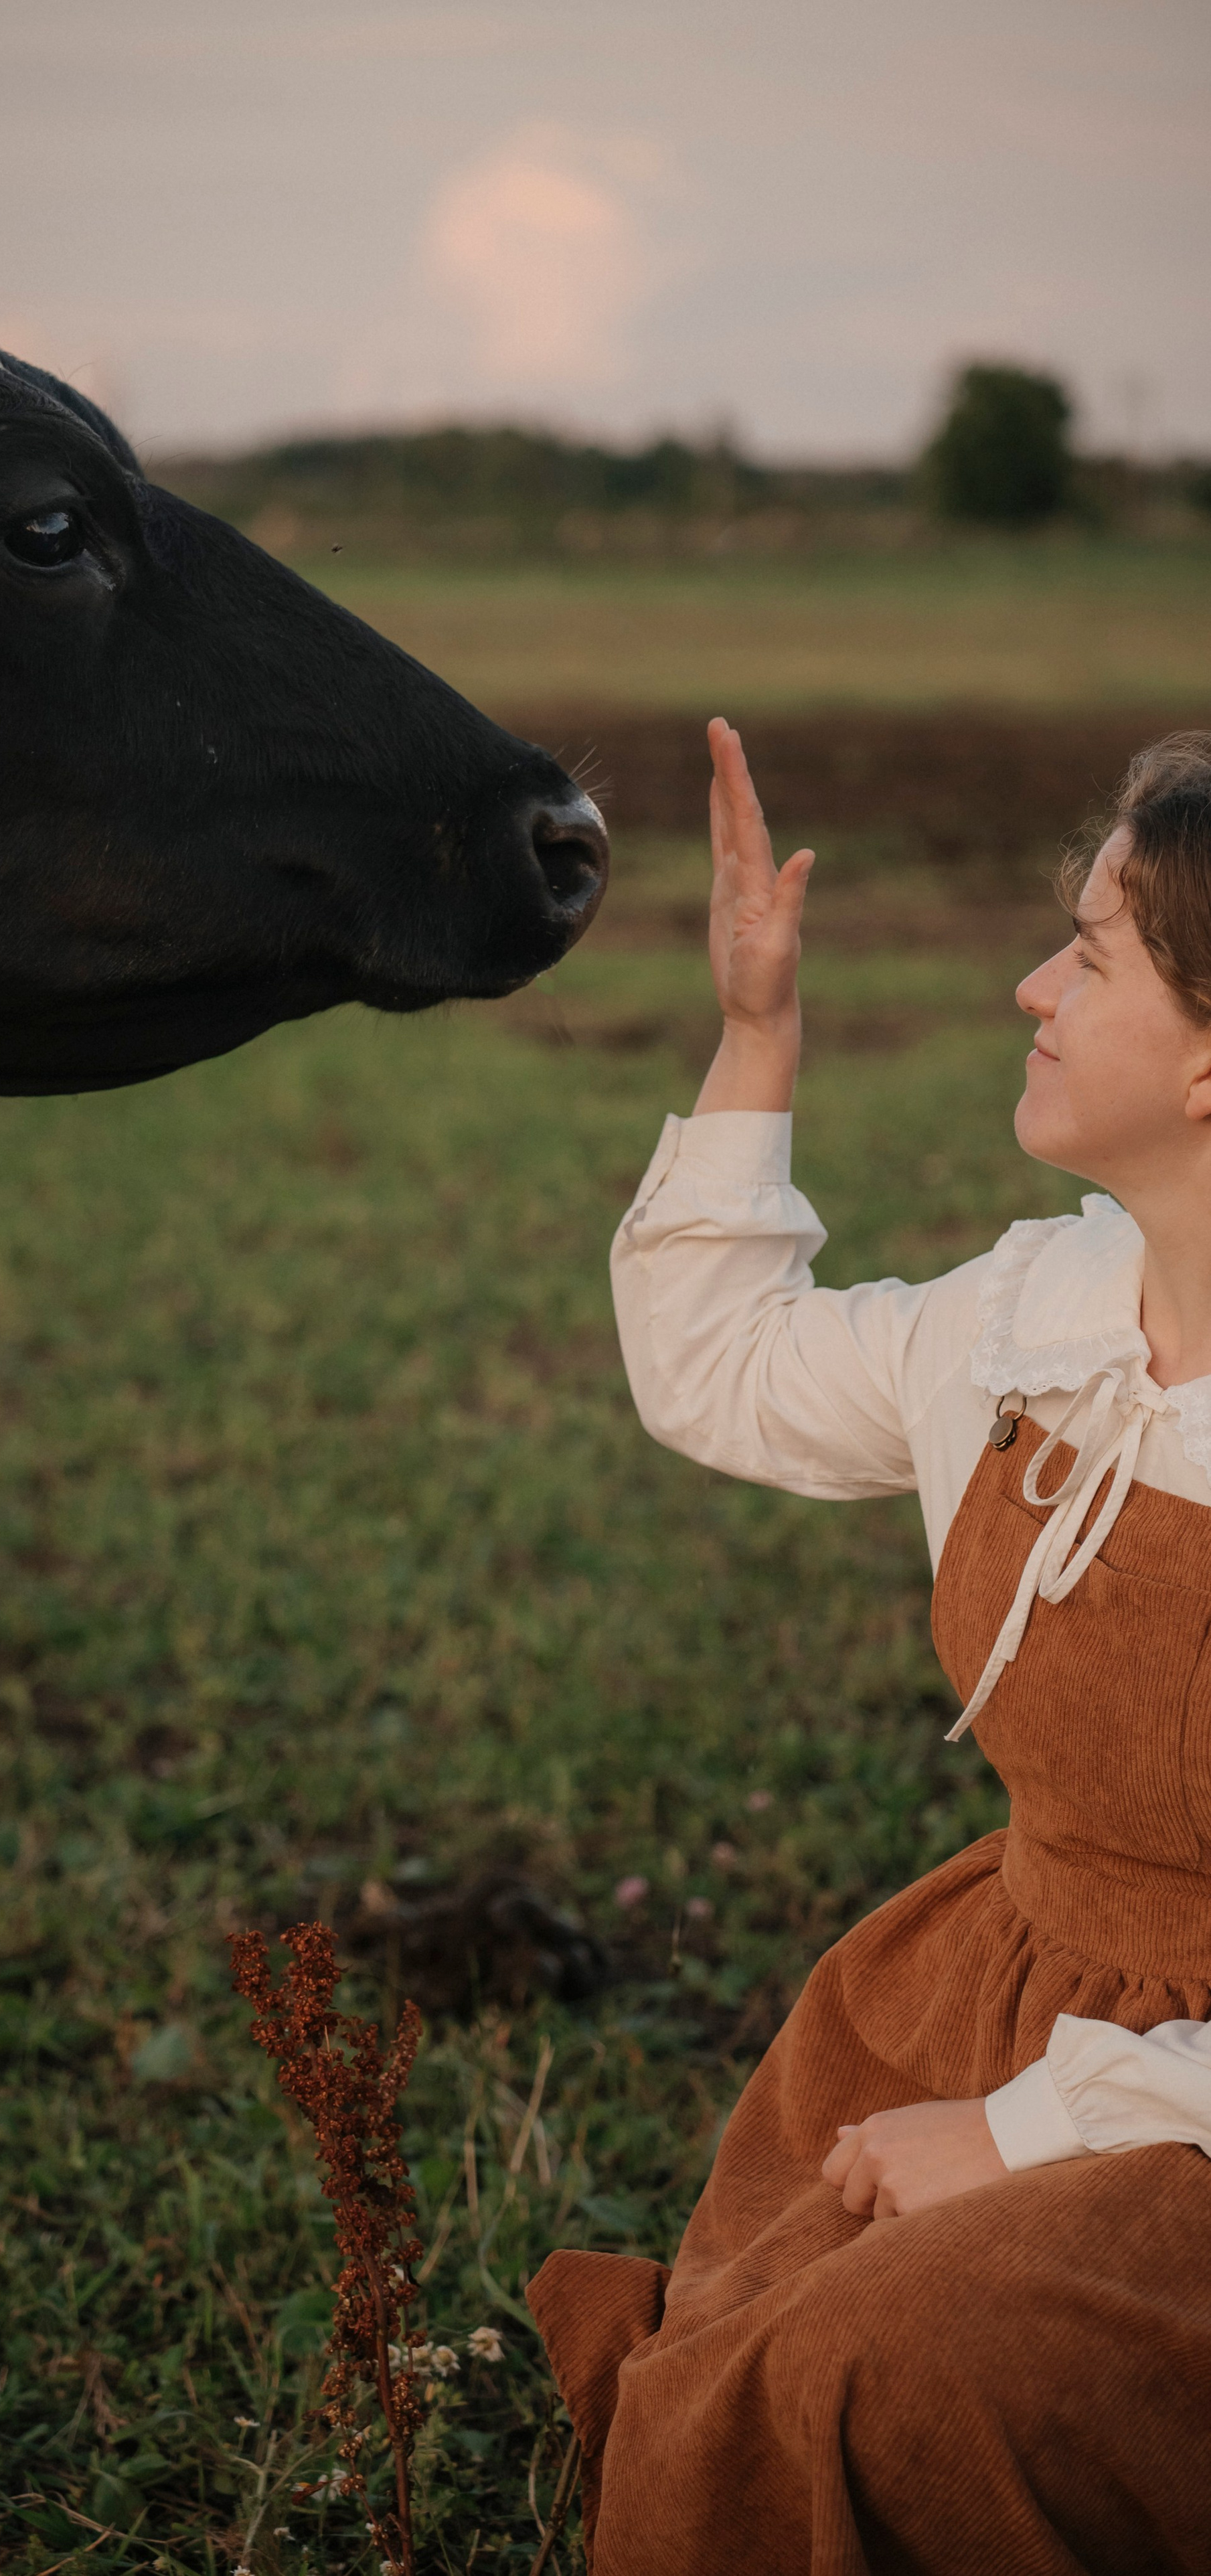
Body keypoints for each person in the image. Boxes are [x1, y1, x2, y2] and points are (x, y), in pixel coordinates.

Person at [528, 721, 1211, 2576]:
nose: (1031, 986)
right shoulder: (1035, 1318)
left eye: (1093, 957)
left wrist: (1048, 2126)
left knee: (862, 2379)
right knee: (754, 2375)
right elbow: (724, 1372)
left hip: (1180, 2114)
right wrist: (757, 1034)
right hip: (976, 2004)